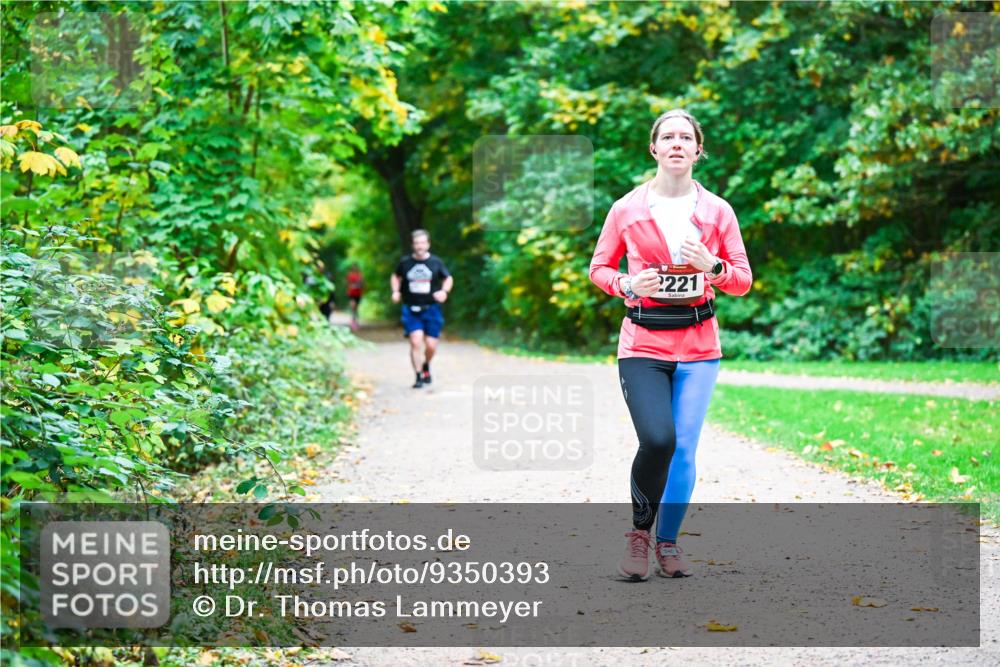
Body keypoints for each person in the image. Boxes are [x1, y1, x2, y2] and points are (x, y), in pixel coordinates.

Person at [589, 109, 752, 581]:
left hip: (700, 345)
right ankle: (639, 535)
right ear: (654, 149)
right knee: (658, 439)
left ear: (698, 150)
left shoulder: (718, 212)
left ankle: (668, 543)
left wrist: (714, 266)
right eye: (668, 137)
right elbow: (599, 268)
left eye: (686, 137)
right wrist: (626, 282)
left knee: (683, 449)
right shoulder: (627, 209)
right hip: (642, 341)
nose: (677, 143)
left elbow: (742, 280)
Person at [391, 229, 453, 389]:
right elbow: (395, 276)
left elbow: (448, 278)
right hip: (411, 308)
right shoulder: (405, 263)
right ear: (413, 245)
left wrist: (444, 291)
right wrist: (396, 291)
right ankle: (418, 376)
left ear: (428, 244)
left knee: (431, 345)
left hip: (432, 308)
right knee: (415, 340)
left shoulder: (436, 262)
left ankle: (426, 366)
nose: (420, 246)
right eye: (417, 243)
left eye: (423, 243)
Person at [346, 263, 364, 332]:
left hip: (358, 293)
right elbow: (348, 283)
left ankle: (355, 321)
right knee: (353, 306)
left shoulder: (360, 275)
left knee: (356, 308)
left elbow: (361, 283)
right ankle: (352, 321)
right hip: (351, 293)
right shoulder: (350, 275)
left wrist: (359, 285)